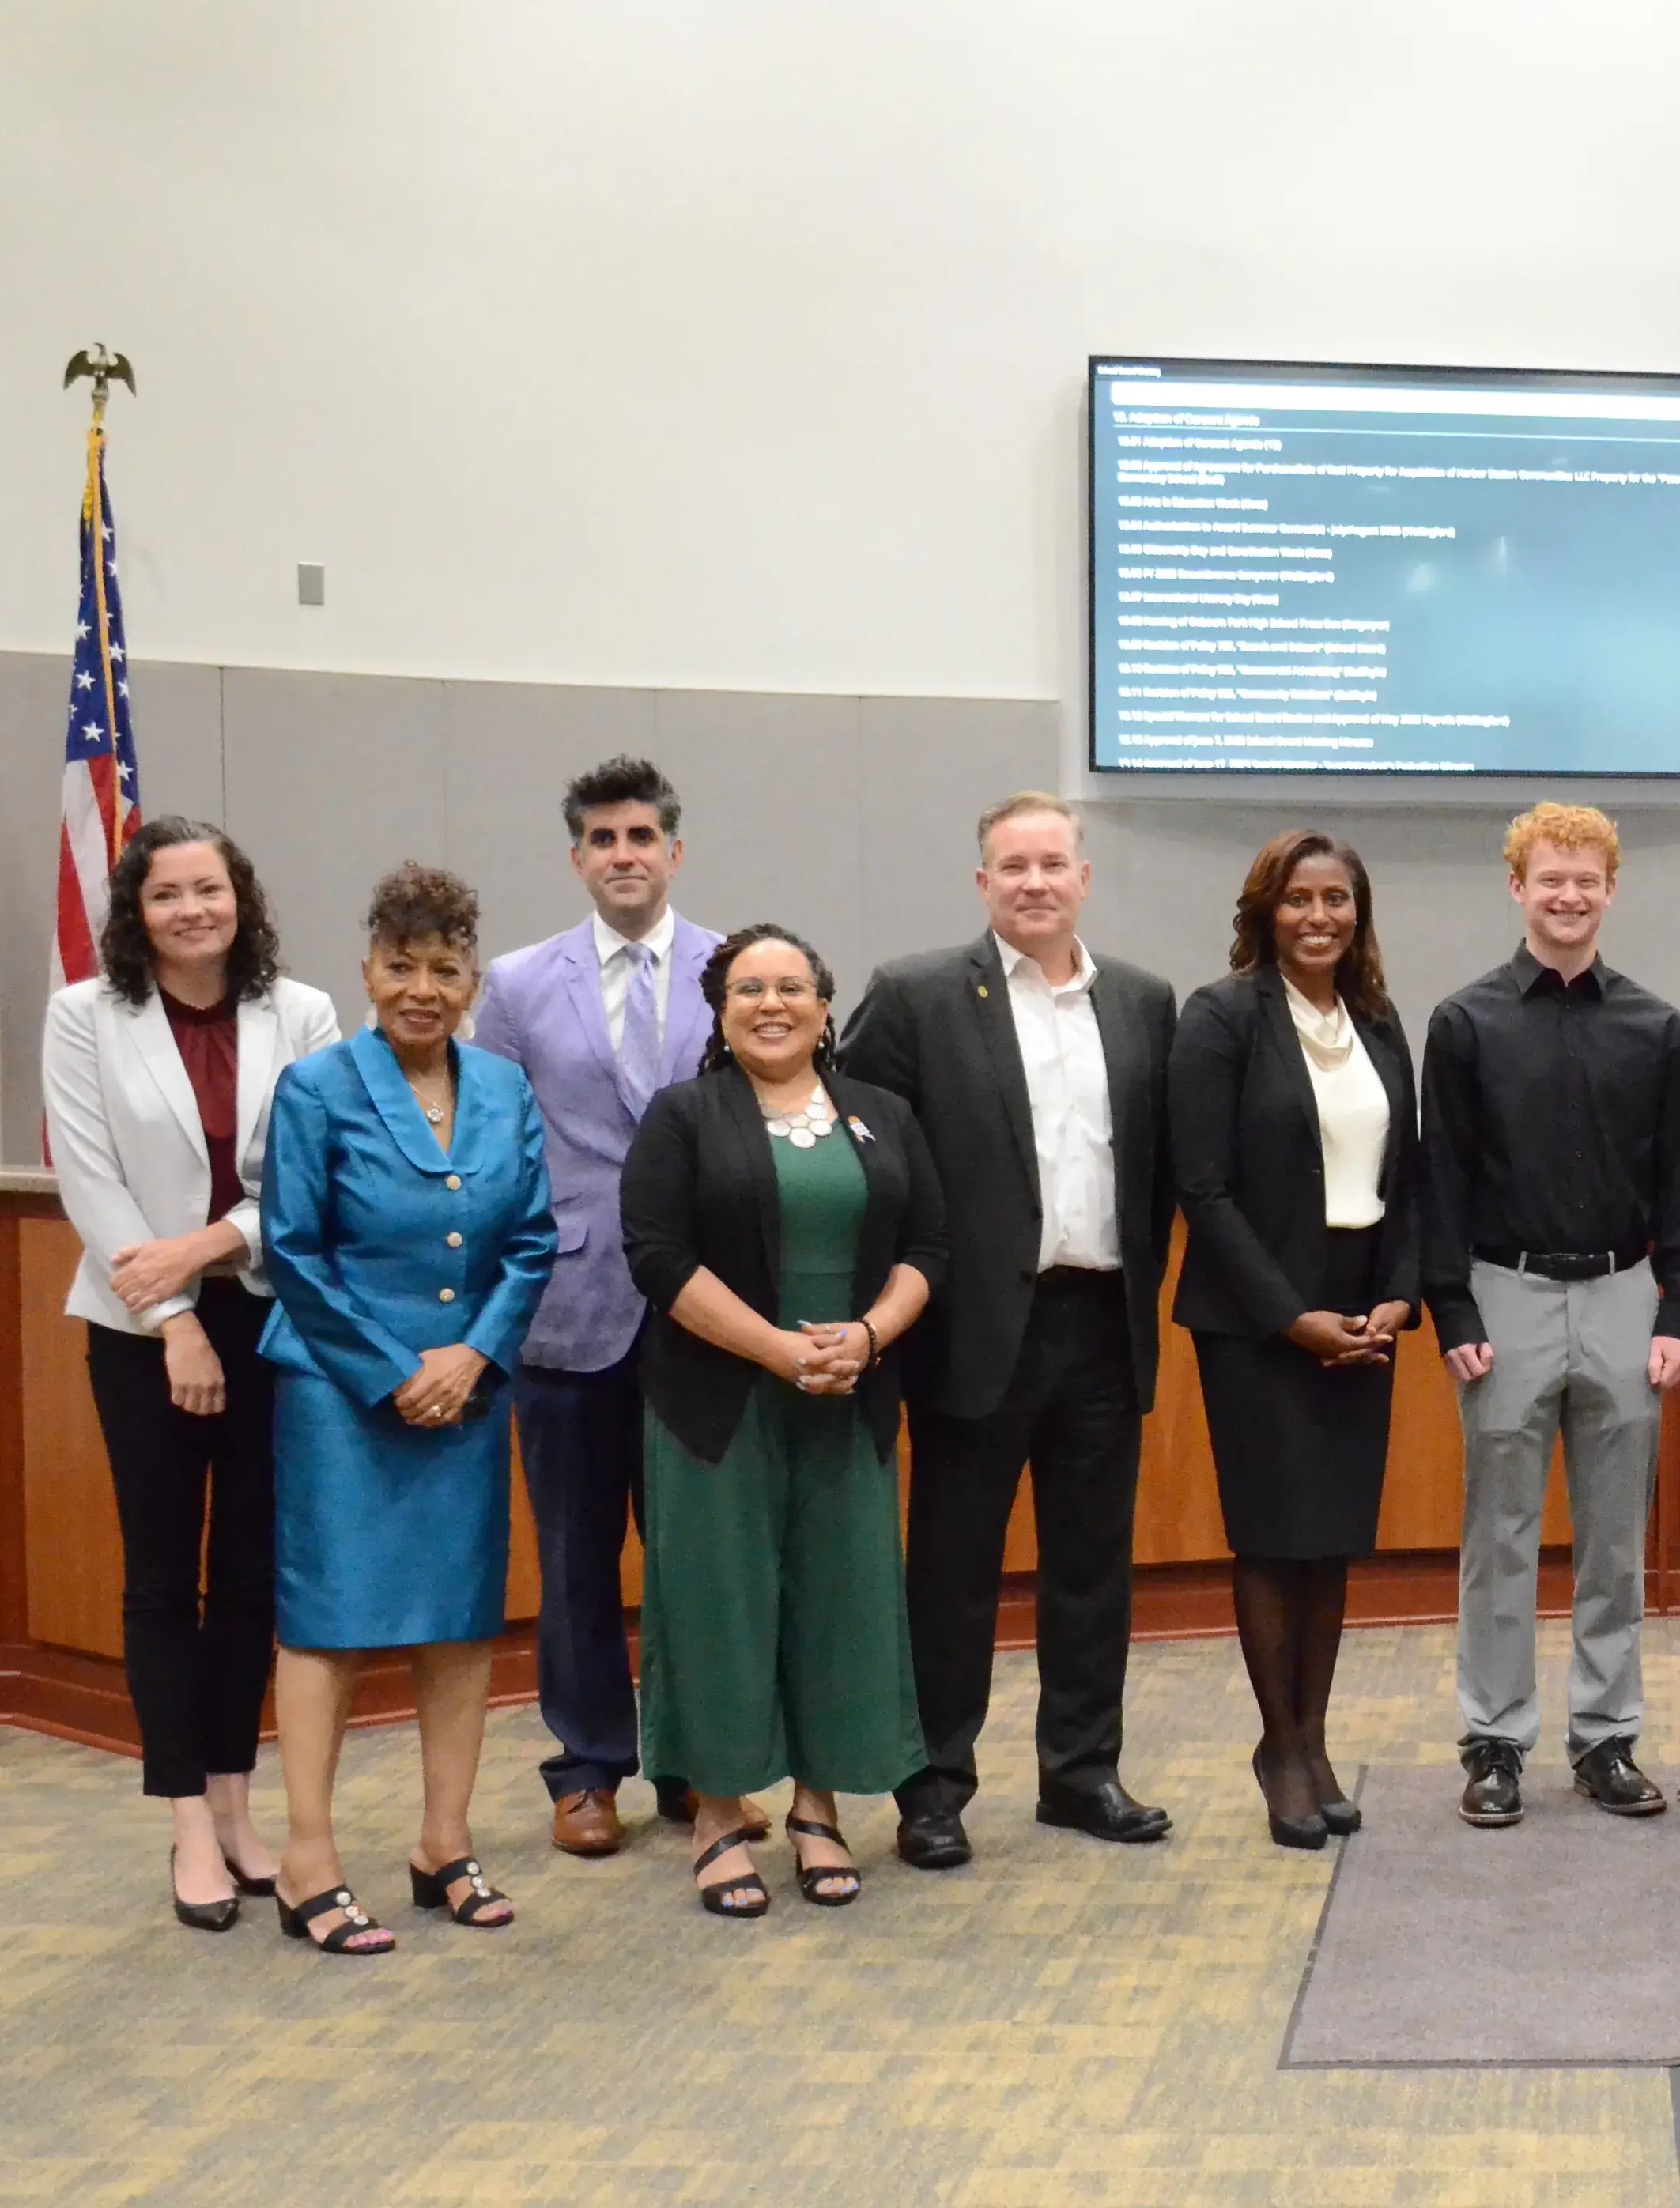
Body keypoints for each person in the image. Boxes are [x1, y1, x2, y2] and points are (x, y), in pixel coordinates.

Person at [839, 793, 1182, 1868]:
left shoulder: (1142, 1000)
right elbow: (868, 1156)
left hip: (1102, 1321)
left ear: (1084, 878)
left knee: (1093, 1569)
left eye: (1053, 864)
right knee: (952, 1573)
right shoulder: (917, 994)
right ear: (982, 885)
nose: (1035, 883)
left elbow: (1161, 1163)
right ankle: (933, 1785)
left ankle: (1082, 1776)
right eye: (1011, 867)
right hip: (972, 1330)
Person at [43, 817, 342, 1929]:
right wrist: (174, 1317)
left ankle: (235, 1798)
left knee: (254, 1574)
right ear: (137, 911)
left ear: (240, 895)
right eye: (165, 895)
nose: (190, 911)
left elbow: (315, 1175)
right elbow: (88, 1179)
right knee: (164, 1575)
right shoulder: (85, 1015)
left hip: (270, 1315)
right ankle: (183, 1820)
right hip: (137, 1330)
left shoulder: (300, 1011)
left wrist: (212, 1249)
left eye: (207, 889)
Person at [258, 864, 557, 1956]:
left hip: (468, 1396)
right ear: (367, 972)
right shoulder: (318, 1089)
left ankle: (443, 1843)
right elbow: (292, 1251)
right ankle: (308, 1858)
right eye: (401, 966)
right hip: (341, 1394)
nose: (422, 988)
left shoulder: (504, 1089)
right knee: (327, 1624)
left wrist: (473, 1356)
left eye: (444, 969)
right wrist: (395, 1370)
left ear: (472, 980)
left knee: (460, 1621)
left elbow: (531, 1241)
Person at [620, 927, 943, 1918]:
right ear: (720, 1012)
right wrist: (773, 1347)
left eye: (792, 987)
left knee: (840, 1605)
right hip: (718, 1404)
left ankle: (817, 1807)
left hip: (847, 1400)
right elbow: (655, 1253)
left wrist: (870, 1336)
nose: (772, 1004)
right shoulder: (683, 1117)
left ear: (824, 1005)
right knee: (719, 1604)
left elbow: (930, 1240)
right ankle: (719, 1814)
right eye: (749, 988)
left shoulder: (880, 1115)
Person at [467, 756, 734, 1860]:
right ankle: (586, 1769)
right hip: (567, 1308)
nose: (623, 855)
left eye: (641, 836)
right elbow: (491, 1145)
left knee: (693, 1551)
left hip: (706, 1312)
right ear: (576, 857)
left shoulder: (740, 969)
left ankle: (693, 1760)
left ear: (675, 850)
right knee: (576, 1554)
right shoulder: (520, 984)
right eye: (602, 839)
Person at [1425, 805, 1680, 1826]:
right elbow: (1443, 1179)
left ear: (1611, 888)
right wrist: (1451, 1306)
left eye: (1586, 880)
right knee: (1498, 1533)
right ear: (1518, 887)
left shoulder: (1657, 1027)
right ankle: (1495, 1741)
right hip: (1504, 1295)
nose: (1568, 896)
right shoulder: (1465, 1024)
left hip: (1628, 1296)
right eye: (1550, 878)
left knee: (1615, 1535)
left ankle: (1607, 1738)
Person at [1171, 830, 1423, 1850]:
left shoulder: (1376, 1017)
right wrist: (1290, 1317)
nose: (1318, 917)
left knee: (1330, 1544)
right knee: (1273, 1539)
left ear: (1358, 913)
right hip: (1259, 1320)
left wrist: (1401, 1295)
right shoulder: (1221, 1016)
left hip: (1362, 1313)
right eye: (1298, 900)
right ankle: (1278, 1747)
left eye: (1337, 899)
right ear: (1264, 910)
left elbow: (1408, 1170)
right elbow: (1203, 1187)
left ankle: (1312, 1741)